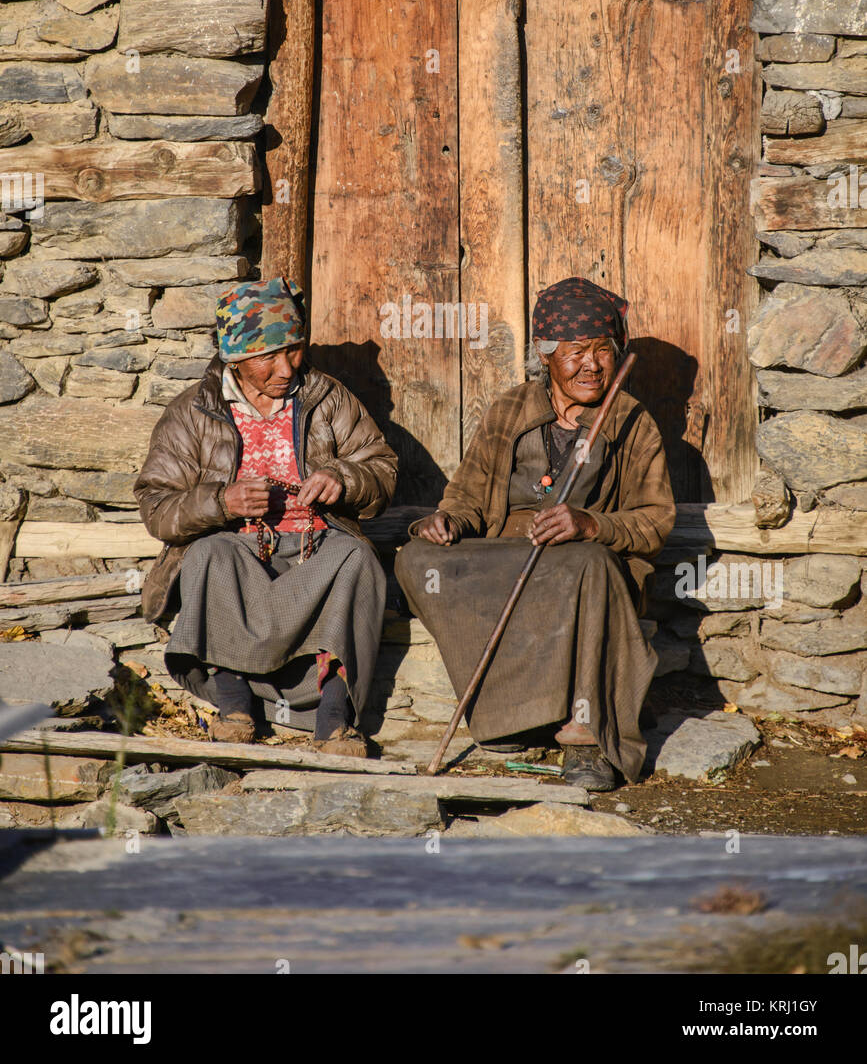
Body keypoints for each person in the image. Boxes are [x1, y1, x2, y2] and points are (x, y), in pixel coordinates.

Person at [395, 276, 676, 790]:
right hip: (505, 555)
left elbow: (656, 521)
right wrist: (448, 521)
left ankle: (585, 737)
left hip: (584, 564)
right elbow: (468, 495)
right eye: (575, 352)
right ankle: (509, 711)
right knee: (415, 559)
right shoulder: (512, 409)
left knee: (586, 564)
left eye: (602, 351)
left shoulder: (632, 422)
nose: (591, 365)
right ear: (545, 355)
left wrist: (593, 525)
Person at [135, 276, 397, 755]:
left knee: (357, 558)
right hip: (239, 548)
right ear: (235, 357)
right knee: (210, 554)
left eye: (294, 350)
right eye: (268, 357)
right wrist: (221, 502)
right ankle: (234, 706)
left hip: (318, 543)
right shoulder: (193, 412)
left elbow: (381, 466)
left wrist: (344, 479)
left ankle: (335, 720)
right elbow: (156, 506)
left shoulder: (325, 397)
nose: (287, 367)